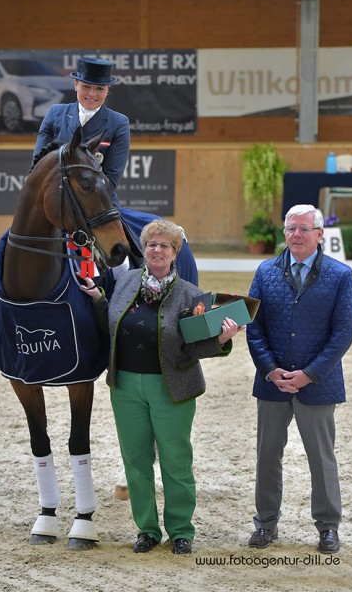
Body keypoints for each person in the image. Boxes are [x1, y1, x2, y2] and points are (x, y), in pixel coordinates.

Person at [80, 219, 244, 554]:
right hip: (124, 386)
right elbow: (110, 323)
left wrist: (222, 339)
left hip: (172, 388)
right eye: (152, 244)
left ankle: (181, 530)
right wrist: (98, 299)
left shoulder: (189, 295)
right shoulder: (125, 283)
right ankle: (147, 530)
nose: (157, 250)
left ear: (174, 254)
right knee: (135, 462)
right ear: (144, 250)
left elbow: (194, 348)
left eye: (164, 246)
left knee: (176, 460)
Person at [246, 204, 352, 554]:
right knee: (267, 456)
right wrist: (270, 369)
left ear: (320, 234)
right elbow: (254, 328)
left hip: (319, 385)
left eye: (304, 229)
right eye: (291, 228)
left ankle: (327, 527)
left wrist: (309, 375)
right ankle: (265, 523)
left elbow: (343, 334)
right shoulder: (265, 271)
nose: (296, 234)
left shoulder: (341, 276)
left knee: (321, 459)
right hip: (272, 384)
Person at [33, 56, 130, 207]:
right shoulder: (55, 113)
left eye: (99, 88)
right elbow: (38, 166)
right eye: (86, 86)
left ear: (107, 90)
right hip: (53, 199)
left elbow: (111, 179)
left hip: (97, 204)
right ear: (75, 84)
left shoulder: (118, 123)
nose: (92, 94)